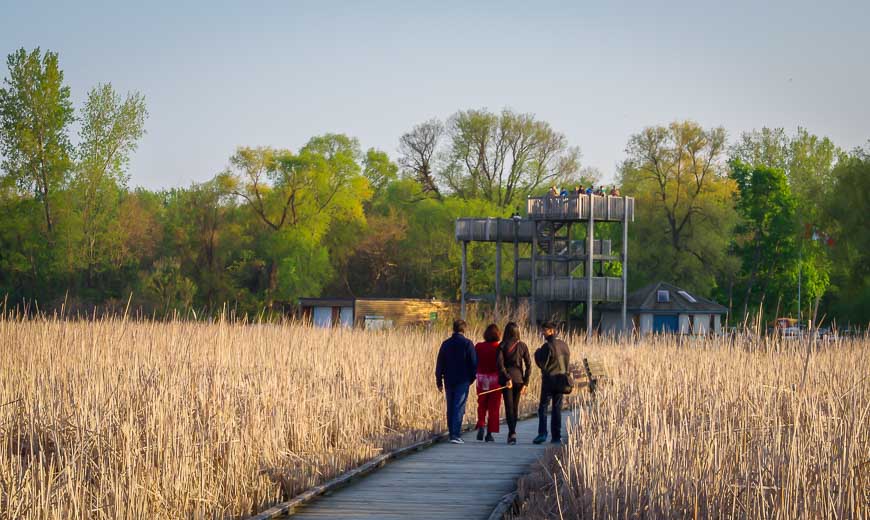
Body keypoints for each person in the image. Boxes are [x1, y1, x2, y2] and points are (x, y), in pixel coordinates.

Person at [436, 319, 478, 444]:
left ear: (453, 329)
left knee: (450, 406)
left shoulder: (445, 344)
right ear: (464, 329)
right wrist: (471, 378)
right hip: (463, 379)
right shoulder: (467, 344)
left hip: (448, 379)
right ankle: (455, 434)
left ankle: (451, 433)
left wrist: (439, 380)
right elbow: (474, 363)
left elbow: (440, 363)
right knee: (459, 406)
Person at [533, 322, 571, 444]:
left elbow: (542, 364)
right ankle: (556, 436)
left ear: (551, 331)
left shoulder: (547, 346)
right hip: (561, 381)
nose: (542, 333)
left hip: (549, 381)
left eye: (544, 330)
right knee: (557, 409)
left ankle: (542, 433)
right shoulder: (564, 345)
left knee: (543, 407)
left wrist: (537, 354)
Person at [496, 322, 532, 445]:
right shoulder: (523, 346)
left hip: (507, 381)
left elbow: (500, 365)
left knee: (509, 407)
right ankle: (513, 432)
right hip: (519, 380)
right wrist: (526, 382)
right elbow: (528, 365)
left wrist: (507, 378)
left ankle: (511, 433)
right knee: (515, 407)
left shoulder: (502, 345)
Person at [474, 324, 502, 442]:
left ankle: (481, 424)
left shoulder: (479, 346)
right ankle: (489, 433)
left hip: (481, 379)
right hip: (495, 380)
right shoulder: (499, 347)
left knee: (482, 404)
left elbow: (475, 361)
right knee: (493, 407)